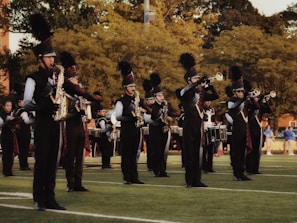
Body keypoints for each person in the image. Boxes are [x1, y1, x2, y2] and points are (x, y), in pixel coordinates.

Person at [23, 13, 65, 211]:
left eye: (53, 57)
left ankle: (50, 197)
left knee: (52, 163)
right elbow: (26, 103)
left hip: (55, 124)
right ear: (40, 59)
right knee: (42, 162)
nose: (52, 60)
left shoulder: (55, 79)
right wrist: (44, 107)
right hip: (41, 124)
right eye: (49, 57)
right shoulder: (33, 78)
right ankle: (39, 198)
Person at [59, 51, 102, 192]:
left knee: (80, 156)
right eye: (74, 78)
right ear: (69, 80)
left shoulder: (79, 95)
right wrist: (77, 112)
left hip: (80, 126)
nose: (76, 80)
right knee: (70, 155)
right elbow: (64, 114)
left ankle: (78, 182)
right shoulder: (65, 94)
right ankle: (70, 183)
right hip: (70, 127)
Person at [176, 53, 219, 188]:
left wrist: (209, 86)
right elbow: (185, 93)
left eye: (198, 78)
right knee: (189, 153)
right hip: (189, 124)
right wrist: (199, 82)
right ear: (189, 80)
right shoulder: (184, 92)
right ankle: (189, 180)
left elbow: (216, 96)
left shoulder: (201, 93)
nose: (198, 80)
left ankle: (197, 180)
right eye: (195, 78)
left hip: (198, 125)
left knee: (198, 154)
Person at [114, 61, 145, 184]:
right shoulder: (121, 101)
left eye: (134, 86)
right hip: (126, 130)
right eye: (131, 86)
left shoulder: (137, 100)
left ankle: (134, 176)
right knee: (126, 154)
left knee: (134, 154)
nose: (133, 88)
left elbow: (146, 109)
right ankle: (127, 177)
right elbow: (118, 116)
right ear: (125, 87)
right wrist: (130, 118)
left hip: (136, 129)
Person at [227, 66, 259, 181]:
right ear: (234, 92)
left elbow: (256, 107)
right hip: (236, 130)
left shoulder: (245, 102)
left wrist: (252, 97)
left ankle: (241, 172)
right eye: (239, 91)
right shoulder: (232, 100)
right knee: (236, 153)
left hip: (245, 131)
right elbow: (231, 107)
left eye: (242, 91)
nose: (241, 93)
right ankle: (236, 174)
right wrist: (242, 99)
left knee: (243, 153)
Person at [149, 72, 178, 177]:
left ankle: (163, 170)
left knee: (163, 151)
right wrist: (164, 117)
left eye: (162, 95)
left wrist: (176, 114)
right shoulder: (153, 106)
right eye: (160, 95)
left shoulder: (166, 104)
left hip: (164, 130)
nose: (162, 97)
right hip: (155, 129)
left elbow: (174, 112)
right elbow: (153, 116)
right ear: (155, 96)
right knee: (156, 150)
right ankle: (156, 170)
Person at [246, 90, 272, 174]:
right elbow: (254, 107)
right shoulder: (248, 104)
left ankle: (255, 169)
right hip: (250, 129)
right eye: (255, 96)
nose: (256, 98)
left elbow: (269, 110)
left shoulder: (259, 105)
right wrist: (252, 98)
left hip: (258, 130)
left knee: (257, 150)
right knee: (250, 150)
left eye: (257, 96)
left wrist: (265, 101)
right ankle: (249, 168)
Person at [0, 99, 22, 176]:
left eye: (10, 106)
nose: (9, 107)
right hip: (5, 135)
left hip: (12, 135)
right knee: (6, 154)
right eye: (7, 105)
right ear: (3, 106)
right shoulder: (2, 114)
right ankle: (5, 171)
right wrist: (9, 121)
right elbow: (1, 124)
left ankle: (9, 170)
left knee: (11, 153)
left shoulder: (13, 114)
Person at [14, 99, 35, 171]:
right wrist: (35, 119)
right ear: (19, 103)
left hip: (19, 132)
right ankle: (24, 165)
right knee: (24, 149)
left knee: (21, 149)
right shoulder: (23, 111)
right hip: (24, 132)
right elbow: (27, 121)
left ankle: (22, 165)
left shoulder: (15, 111)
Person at [142, 78, 154, 171]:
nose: (151, 101)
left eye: (152, 99)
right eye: (149, 100)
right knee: (150, 148)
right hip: (148, 130)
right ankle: (150, 165)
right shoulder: (145, 109)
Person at [202, 100, 216, 173]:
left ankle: (210, 167)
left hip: (211, 129)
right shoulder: (201, 109)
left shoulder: (212, 109)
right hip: (204, 129)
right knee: (204, 149)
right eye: (206, 101)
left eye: (210, 101)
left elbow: (213, 119)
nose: (208, 103)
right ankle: (203, 167)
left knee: (211, 149)